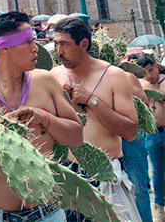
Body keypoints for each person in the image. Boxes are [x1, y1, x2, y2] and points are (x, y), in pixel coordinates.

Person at [0, 11, 82, 221]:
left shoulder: (45, 81)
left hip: (48, 213)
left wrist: (44, 119)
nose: (36, 48)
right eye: (28, 41)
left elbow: (76, 137)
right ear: (4, 47)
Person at [51, 17, 142, 222]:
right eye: (56, 43)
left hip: (105, 176)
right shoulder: (54, 75)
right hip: (66, 176)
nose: (58, 51)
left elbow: (130, 132)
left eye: (64, 44)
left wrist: (92, 102)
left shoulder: (115, 76)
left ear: (83, 44)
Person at [121, 56, 154, 222]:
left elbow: (144, 104)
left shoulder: (126, 77)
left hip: (130, 139)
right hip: (102, 142)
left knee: (138, 188)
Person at [140, 56, 165, 220]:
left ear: (156, 66)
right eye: (145, 73)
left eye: (151, 70)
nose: (149, 76)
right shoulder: (141, 85)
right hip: (152, 132)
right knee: (158, 171)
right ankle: (159, 207)